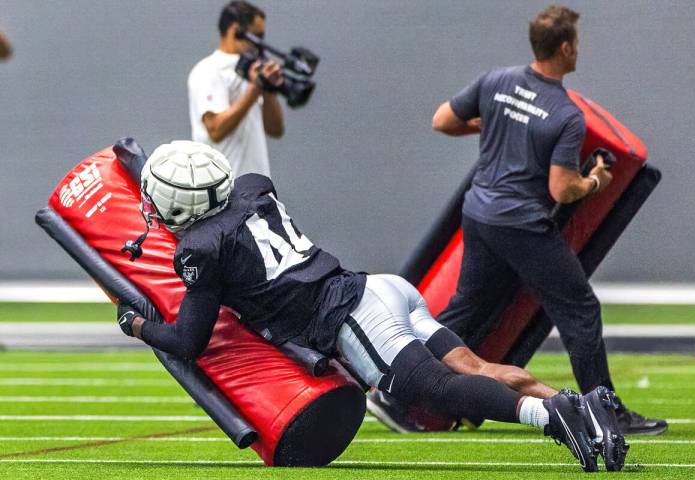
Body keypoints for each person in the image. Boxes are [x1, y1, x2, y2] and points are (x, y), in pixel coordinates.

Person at [116, 140, 627, 472]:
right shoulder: (253, 188)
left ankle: (551, 414)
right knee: (474, 367)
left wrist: (137, 325)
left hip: (353, 319)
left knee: (437, 392)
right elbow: (204, 203)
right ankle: (579, 404)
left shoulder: (199, 250)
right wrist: (140, 163)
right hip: (384, 290)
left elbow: (188, 341)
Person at [426, 5, 665, 435]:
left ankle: (391, 378)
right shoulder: (565, 113)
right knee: (579, 309)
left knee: (467, 309)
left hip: (479, 215)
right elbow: (561, 190)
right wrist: (594, 181)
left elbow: (442, 120)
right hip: (522, 224)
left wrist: (500, 127)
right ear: (567, 47)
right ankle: (603, 412)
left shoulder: (496, 80)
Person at [187, 1, 284, 178]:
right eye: (256, 36)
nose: (260, 44)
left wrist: (269, 91)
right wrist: (255, 89)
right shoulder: (208, 70)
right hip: (224, 192)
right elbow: (215, 130)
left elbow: (275, 130)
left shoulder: (253, 71)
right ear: (235, 30)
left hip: (258, 190)